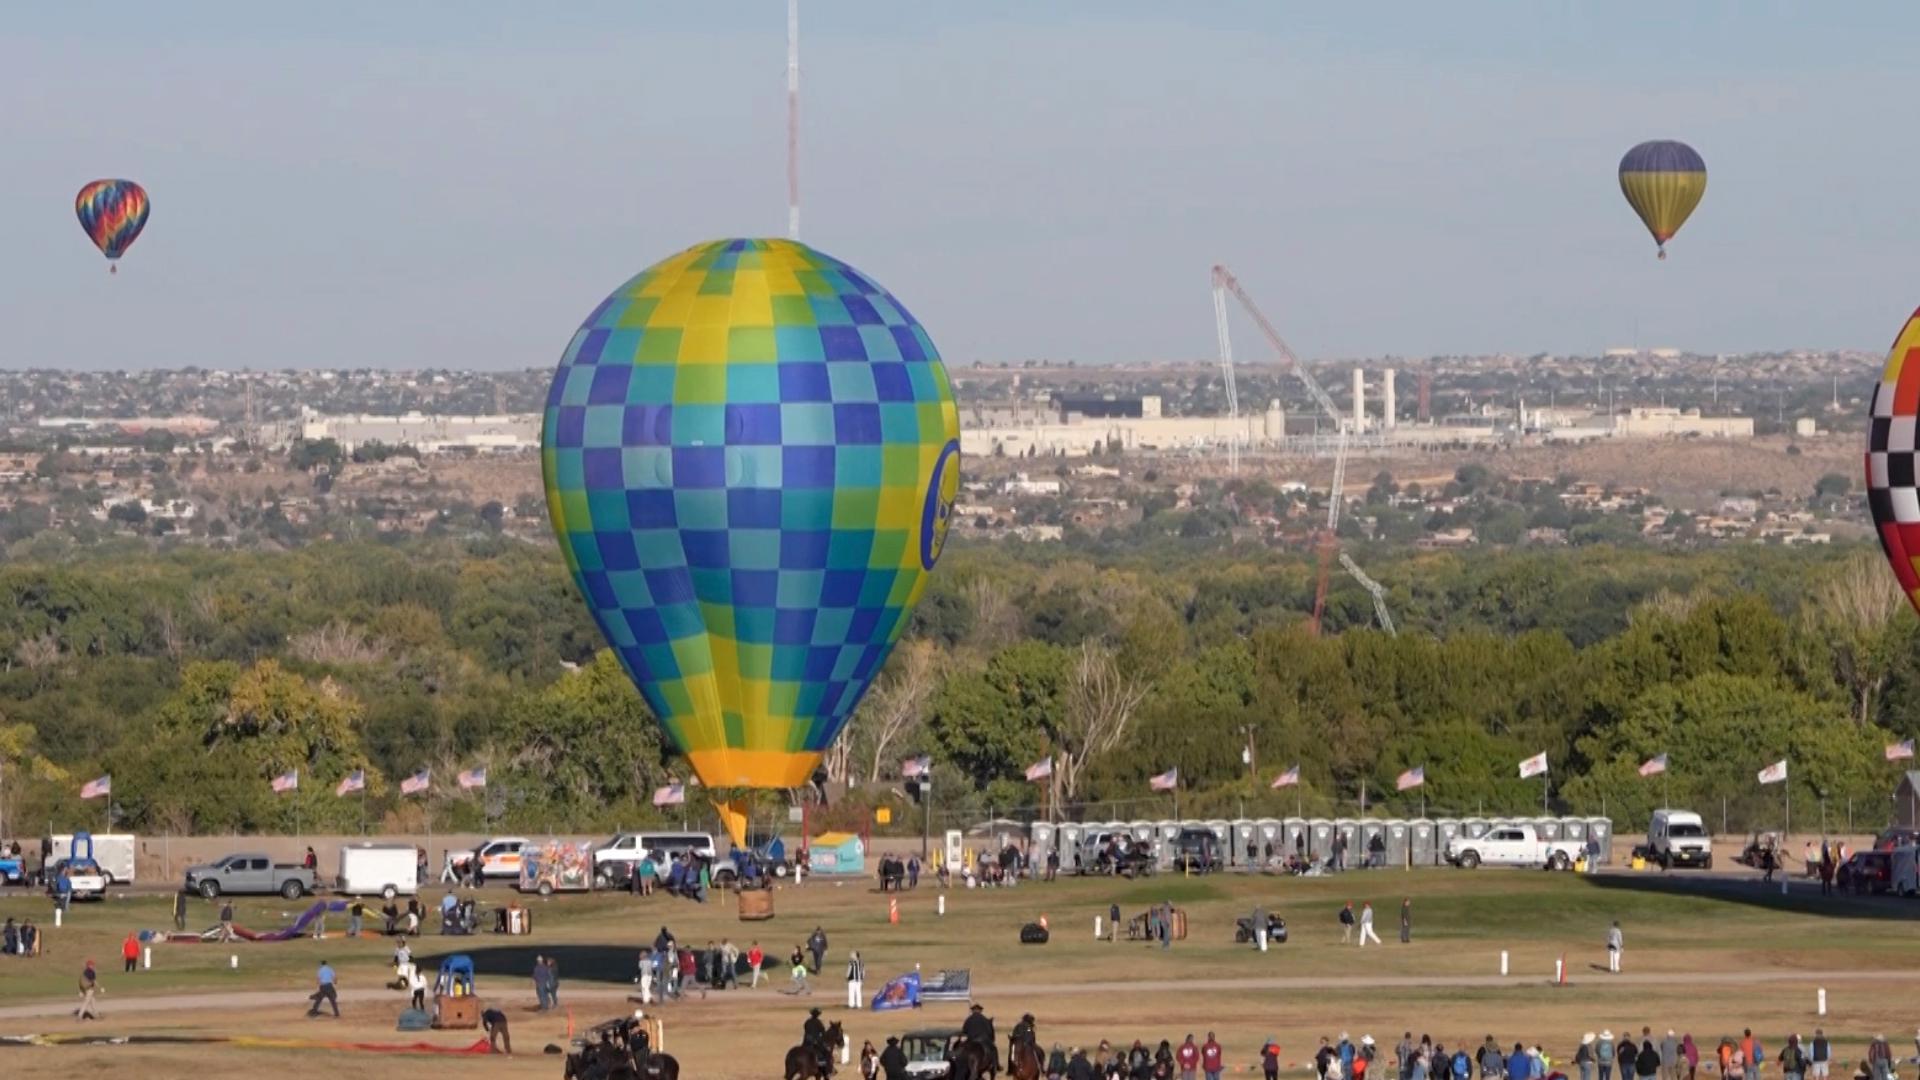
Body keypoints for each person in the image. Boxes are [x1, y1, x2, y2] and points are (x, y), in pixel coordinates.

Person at [965, 1004, 999, 1072]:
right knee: (994, 1049)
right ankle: (996, 1065)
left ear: (972, 1011)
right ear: (980, 1011)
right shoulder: (985, 1019)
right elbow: (990, 1032)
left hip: (971, 1040)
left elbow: (964, 1031)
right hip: (983, 1040)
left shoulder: (968, 1020)